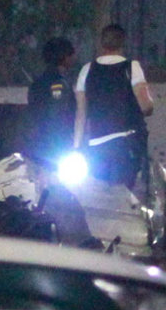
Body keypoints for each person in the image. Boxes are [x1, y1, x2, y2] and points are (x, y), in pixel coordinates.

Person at [73, 24, 154, 189]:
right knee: (126, 192)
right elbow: (145, 106)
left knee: (100, 193)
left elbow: (81, 113)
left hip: (97, 144)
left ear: (101, 43)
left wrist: (76, 146)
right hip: (126, 143)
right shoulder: (132, 67)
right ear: (123, 43)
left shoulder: (87, 70)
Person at [25, 36, 77, 167]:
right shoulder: (59, 83)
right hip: (57, 143)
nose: (73, 58)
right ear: (64, 57)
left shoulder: (37, 82)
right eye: (71, 54)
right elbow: (59, 112)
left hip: (39, 142)